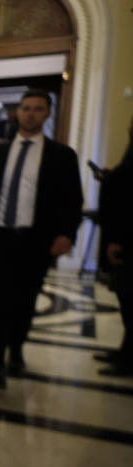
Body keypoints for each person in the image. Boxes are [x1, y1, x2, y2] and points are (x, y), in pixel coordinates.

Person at [0, 89, 83, 388]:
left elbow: (73, 200)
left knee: (25, 299)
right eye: (25, 108)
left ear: (47, 114)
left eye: (37, 109)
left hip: (35, 240)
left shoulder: (62, 156)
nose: (30, 113)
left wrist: (67, 234)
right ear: (17, 113)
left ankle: (16, 348)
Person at [95, 114, 133, 376]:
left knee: (131, 301)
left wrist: (119, 242)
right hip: (122, 237)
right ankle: (125, 350)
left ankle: (129, 360)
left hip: (127, 240)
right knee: (126, 302)